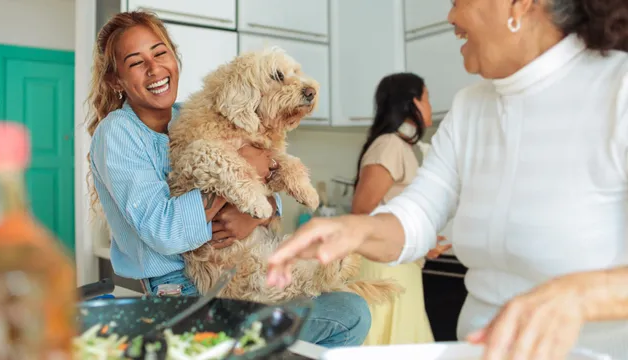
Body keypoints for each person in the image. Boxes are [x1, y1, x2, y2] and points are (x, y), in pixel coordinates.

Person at [266, 0, 628, 359]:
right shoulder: (471, 107)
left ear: (518, 5)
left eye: (459, 1)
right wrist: (354, 230)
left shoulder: (619, 89)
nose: (451, 17)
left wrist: (579, 294)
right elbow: (419, 214)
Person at [86, 11, 370, 348]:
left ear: (174, 57)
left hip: (238, 270)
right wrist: (243, 184)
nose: (154, 68)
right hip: (182, 293)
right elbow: (162, 230)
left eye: (160, 53)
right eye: (136, 62)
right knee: (347, 313)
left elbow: (263, 185)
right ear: (116, 80)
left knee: (348, 307)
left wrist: (253, 213)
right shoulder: (117, 132)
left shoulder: (189, 114)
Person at [351, 72, 450, 346]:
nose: (430, 106)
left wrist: (421, 243)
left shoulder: (403, 147)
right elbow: (361, 212)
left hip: (398, 265)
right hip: (384, 269)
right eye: (428, 98)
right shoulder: (389, 145)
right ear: (413, 103)